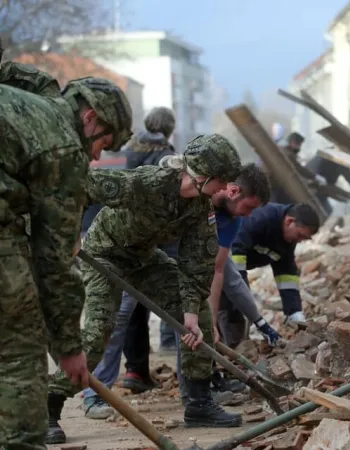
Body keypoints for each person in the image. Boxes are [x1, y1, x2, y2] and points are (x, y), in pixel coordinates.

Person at [46, 133, 243, 444]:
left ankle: (198, 404)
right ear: (203, 173)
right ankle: (50, 407)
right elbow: (81, 184)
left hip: (143, 257)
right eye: (221, 180)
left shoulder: (199, 208)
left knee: (200, 315)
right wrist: (67, 231)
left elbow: (197, 263)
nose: (224, 189)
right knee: (99, 332)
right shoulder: (148, 182)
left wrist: (189, 313)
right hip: (104, 254)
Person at [0, 61, 132, 450]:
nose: (95, 157)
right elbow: (53, 263)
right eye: (103, 144)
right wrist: (69, 349)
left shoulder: (23, 100)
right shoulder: (63, 145)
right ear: (90, 117)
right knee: (20, 351)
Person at [79, 106, 178, 420]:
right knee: (118, 314)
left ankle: (133, 373)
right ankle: (95, 391)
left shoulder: (118, 149)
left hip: (91, 228)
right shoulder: (163, 154)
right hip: (116, 240)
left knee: (125, 312)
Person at [174, 164, 274, 405]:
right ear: (233, 190)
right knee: (180, 319)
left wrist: (212, 318)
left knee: (200, 322)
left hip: (198, 262)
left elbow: (217, 269)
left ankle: (202, 385)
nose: (248, 215)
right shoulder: (196, 195)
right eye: (248, 207)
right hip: (164, 255)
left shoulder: (232, 220)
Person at [227, 203, 320, 348]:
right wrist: (242, 292)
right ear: (289, 221)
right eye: (300, 235)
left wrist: (294, 311)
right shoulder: (260, 219)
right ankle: (231, 354)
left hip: (233, 269)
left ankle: (239, 349)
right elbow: (235, 254)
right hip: (220, 265)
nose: (299, 240)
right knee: (229, 308)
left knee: (239, 308)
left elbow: (287, 274)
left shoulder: (288, 239)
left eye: (304, 238)